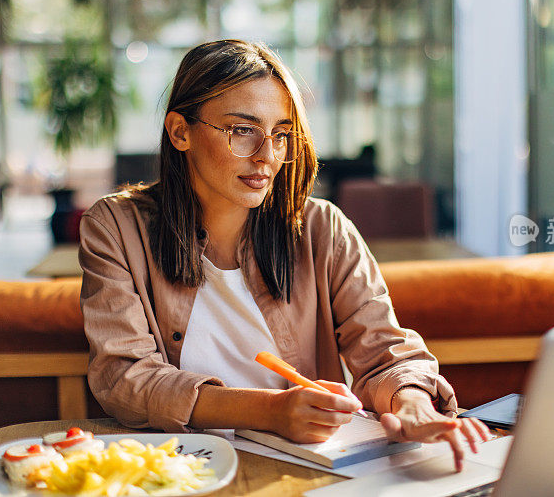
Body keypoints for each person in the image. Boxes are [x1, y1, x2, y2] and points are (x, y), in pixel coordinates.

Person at [79, 39, 489, 472]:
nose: (267, 156)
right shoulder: (116, 228)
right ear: (180, 131)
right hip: (181, 469)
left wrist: (413, 405)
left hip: (303, 470)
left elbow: (385, 351)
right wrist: (270, 411)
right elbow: (125, 378)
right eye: (242, 131)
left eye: (280, 134)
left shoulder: (321, 228)